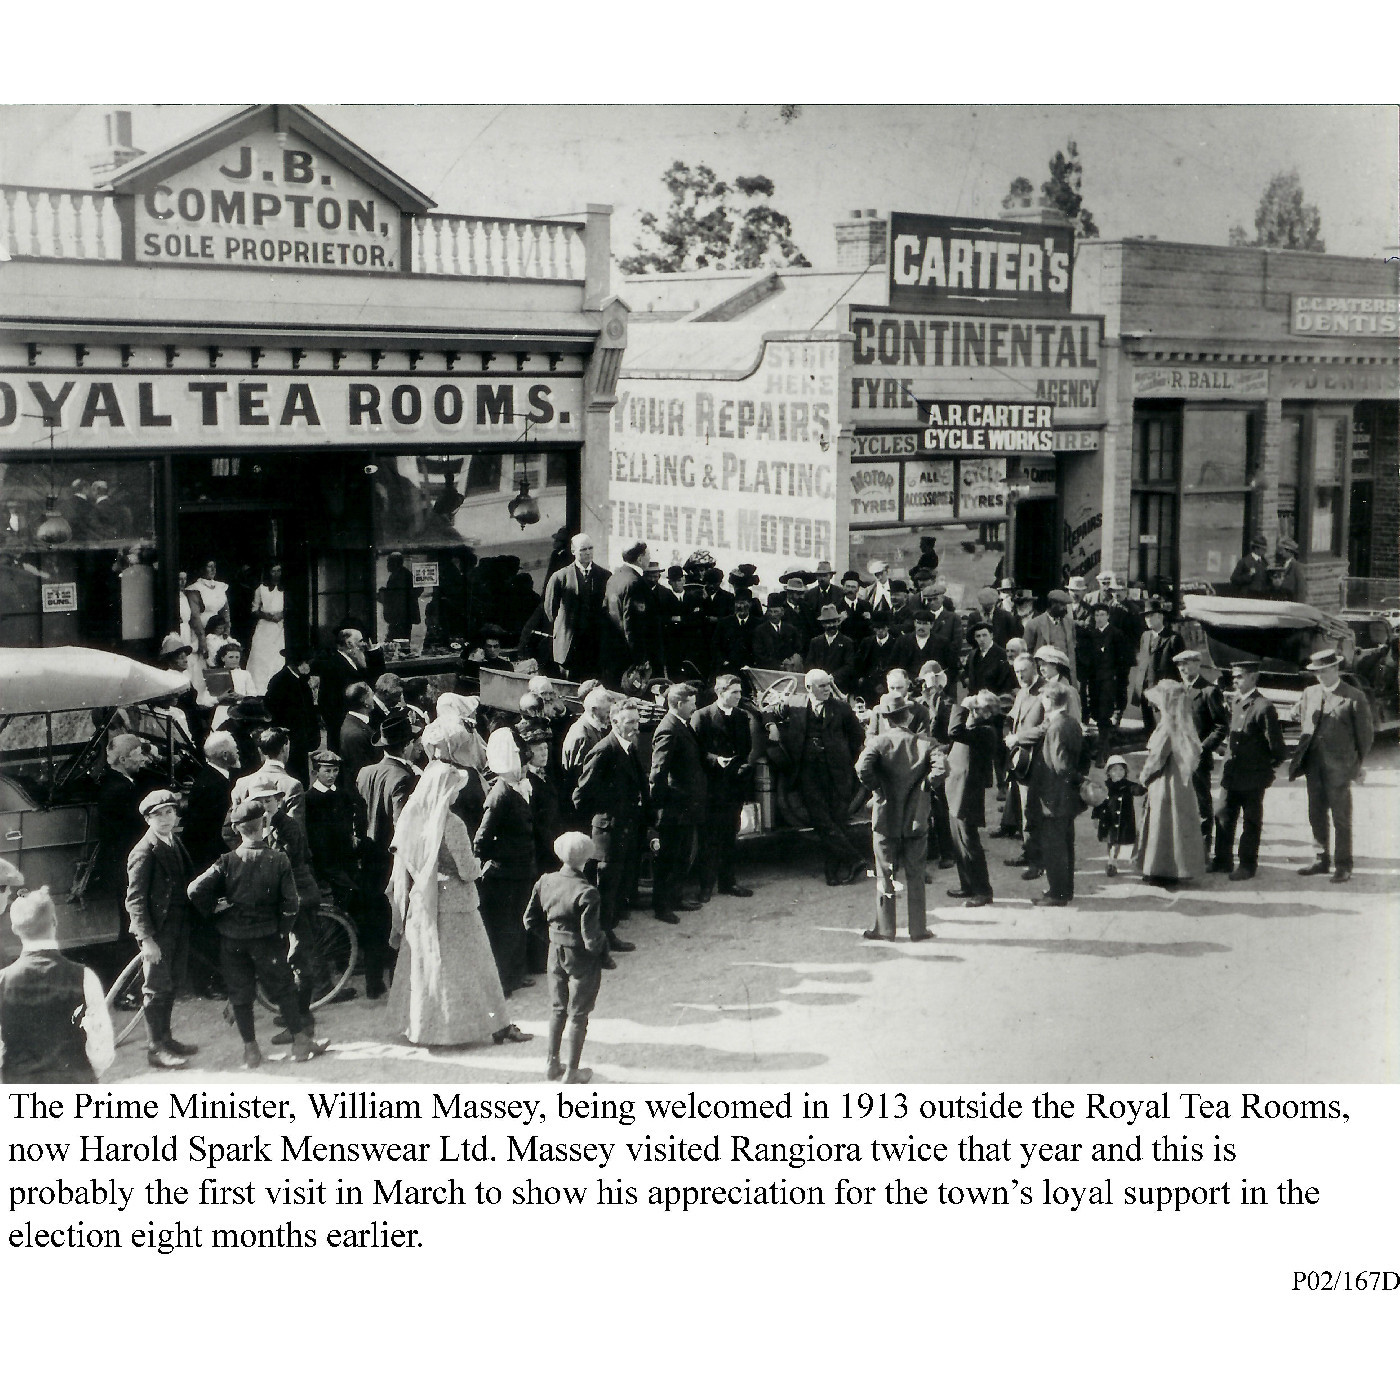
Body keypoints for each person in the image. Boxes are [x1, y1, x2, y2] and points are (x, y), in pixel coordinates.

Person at [386, 721, 530, 1047]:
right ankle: (496, 1025)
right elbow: (467, 870)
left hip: (426, 899)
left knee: (432, 969)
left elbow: (408, 859)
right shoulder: (452, 824)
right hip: (457, 902)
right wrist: (484, 865)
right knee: (477, 969)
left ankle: (429, 1028)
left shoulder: (417, 821)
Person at [188, 799, 324, 1067]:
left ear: (238, 829)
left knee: (240, 994)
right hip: (267, 938)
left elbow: (194, 890)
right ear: (263, 824)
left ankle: (251, 1051)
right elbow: (291, 903)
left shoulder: (226, 861)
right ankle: (300, 1043)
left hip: (232, 939)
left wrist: (214, 909)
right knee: (284, 989)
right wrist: (283, 931)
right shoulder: (278, 859)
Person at [0, 887, 115, 1084]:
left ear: (15, 929)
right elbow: (102, 1048)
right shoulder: (85, 977)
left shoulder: (2, 980)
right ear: (54, 921)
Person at [527, 831, 615, 1084]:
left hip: (555, 952)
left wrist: (554, 939)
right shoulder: (587, 892)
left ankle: (551, 1065)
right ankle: (572, 1071)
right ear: (587, 858)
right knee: (578, 1014)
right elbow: (591, 938)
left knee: (557, 1009)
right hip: (581, 959)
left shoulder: (545, 881)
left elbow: (529, 920)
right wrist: (606, 955)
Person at [770, 670, 868, 887]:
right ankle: (854, 859)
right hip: (808, 772)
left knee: (837, 820)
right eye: (822, 686)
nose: (827, 689)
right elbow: (768, 710)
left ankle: (832, 872)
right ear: (808, 688)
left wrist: (841, 758)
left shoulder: (841, 708)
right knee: (821, 820)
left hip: (838, 772)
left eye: (828, 685)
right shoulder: (794, 703)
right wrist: (771, 725)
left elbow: (857, 737)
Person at [125, 789, 199, 1069]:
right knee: (155, 990)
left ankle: (166, 1039)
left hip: (179, 926)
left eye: (169, 812)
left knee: (170, 986)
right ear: (147, 820)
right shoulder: (143, 851)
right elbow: (134, 900)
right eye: (158, 815)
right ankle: (155, 1049)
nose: (166, 819)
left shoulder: (174, 842)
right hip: (158, 933)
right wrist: (147, 940)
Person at [1291, 647, 1374, 884]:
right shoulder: (1309, 693)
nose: (1320, 675)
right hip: (1313, 765)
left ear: (1336, 668)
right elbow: (1306, 722)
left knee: (1341, 818)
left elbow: (1365, 737)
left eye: (1325, 670)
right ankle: (1320, 859)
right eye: (1317, 671)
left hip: (1339, 767)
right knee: (1315, 814)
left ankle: (1343, 865)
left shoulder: (1353, 696)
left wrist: (1355, 765)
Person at [856, 695, 935, 942]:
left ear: (886, 719)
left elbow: (861, 769)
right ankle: (918, 929)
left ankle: (885, 929)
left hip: (885, 815)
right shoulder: (925, 743)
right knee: (916, 873)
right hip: (915, 815)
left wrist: (879, 788)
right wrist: (923, 788)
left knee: (885, 873)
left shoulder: (878, 743)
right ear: (908, 716)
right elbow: (942, 769)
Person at [573, 701, 649, 949]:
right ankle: (601, 940)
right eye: (630, 722)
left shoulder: (628, 747)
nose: (636, 727)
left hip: (624, 829)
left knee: (616, 886)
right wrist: (605, 816)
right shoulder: (605, 750)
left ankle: (607, 933)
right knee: (605, 888)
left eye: (637, 722)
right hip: (608, 833)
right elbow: (581, 796)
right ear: (615, 722)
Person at [356, 708, 420, 999]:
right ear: (406, 745)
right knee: (398, 921)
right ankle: (398, 985)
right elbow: (402, 824)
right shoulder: (403, 778)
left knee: (373, 921)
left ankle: (373, 982)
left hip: (368, 857)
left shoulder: (366, 773)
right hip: (392, 860)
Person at [475, 728, 540, 995]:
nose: (526, 767)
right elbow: (481, 839)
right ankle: (504, 981)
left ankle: (516, 972)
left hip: (521, 870)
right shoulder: (500, 795)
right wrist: (498, 857)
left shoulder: (516, 788)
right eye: (522, 763)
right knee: (506, 928)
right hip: (505, 874)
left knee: (517, 924)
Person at [1212, 659, 1287, 881]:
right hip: (1232, 772)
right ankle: (1222, 860)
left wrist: (1264, 768)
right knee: (1223, 814)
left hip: (1252, 776)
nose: (1235, 680)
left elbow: (1277, 747)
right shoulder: (1236, 700)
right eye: (1234, 676)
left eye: (1240, 676)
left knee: (1251, 821)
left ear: (1254, 677)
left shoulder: (1263, 706)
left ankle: (1247, 865)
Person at [691, 673, 755, 902]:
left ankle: (728, 883)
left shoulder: (741, 716)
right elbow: (695, 751)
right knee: (709, 839)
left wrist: (739, 768)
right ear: (720, 692)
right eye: (734, 692)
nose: (739, 696)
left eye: (739, 692)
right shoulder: (702, 716)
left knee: (730, 835)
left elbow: (745, 748)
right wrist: (715, 760)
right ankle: (706, 886)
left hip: (733, 787)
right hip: (712, 788)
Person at [1135, 679, 1207, 883]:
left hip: (1164, 781)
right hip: (1180, 783)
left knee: (1163, 823)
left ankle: (1160, 870)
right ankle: (1176, 868)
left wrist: (1143, 776)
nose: (1155, 705)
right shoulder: (1182, 722)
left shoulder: (1167, 726)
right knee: (1178, 824)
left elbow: (1156, 758)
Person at [648, 683, 707, 924]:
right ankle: (661, 906)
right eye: (692, 703)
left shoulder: (680, 725)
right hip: (674, 807)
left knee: (681, 854)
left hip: (685, 805)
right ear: (680, 704)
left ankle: (675, 898)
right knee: (668, 858)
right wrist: (659, 807)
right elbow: (658, 772)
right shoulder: (669, 729)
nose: (695, 707)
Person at [1024, 683, 1087, 907]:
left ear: (1049, 700)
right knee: (1066, 845)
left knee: (1054, 848)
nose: (1042, 702)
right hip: (1067, 798)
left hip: (1053, 798)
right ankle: (1064, 890)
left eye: (1043, 699)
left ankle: (1056, 894)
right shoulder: (1071, 722)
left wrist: (1075, 779)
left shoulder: (1056, 727)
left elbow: (1061, 766)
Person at [944, 690, 1000, 907]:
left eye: (975, 709)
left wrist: (963, 706)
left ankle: (982, 890)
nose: (971, 712)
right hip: (957, 789)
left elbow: (953, 731)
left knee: (969, 841)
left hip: (968, 792)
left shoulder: (985, 731)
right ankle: (967, 884)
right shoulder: (975, 728)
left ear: (984, 713)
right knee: (958, 841)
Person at [541, 532, 611, 680]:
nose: (588, 553)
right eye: (583, 549)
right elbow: (550, 610)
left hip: (594, 645)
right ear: (573, 551)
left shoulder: (604, 576)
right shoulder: (560, 577)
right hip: (569, 646)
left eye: (590, 548)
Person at [1177, 650, 1230, 839]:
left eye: (1188, 664)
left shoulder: (1209, 691)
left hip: (1198, 758)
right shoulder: (1177, 690)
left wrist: (1202, 748)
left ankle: (1204, 849)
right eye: (1180, 665)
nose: (1184, 668)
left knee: (1201, 804)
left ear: (1198, 664)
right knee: (1180, 803)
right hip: (1178, 756)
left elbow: (1221, 726)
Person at [999, 653, 1045, 858]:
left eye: (1023, 671)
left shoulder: (1044, 692)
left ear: (1034, 669)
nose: (1019, 675)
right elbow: (1012, 717)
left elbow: (1047, 726)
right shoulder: (1022, 692)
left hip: (1036, 757)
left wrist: (1019, 738)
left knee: (1031, 807)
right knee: (1020, 803)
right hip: (1019, 757)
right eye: (1016, 672)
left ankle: (1032, 855)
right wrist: (1007, 731)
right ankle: (1028, 848)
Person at [304, 748, 361, 905]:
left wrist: (351, 835)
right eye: (327, 771)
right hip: (325, 858)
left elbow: (349, 821)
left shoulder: (342, 795)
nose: (332, 775)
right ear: (316, 772)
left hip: (345, 854)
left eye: (335, 770)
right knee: (345, 892)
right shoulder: (309, 799)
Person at [1082, 601, 1132, 763]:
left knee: (1105, 715)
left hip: (1110, 682)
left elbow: (1124, 662)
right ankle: (1102, 748)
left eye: (1102, 614)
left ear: (1108, 616)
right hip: (1095, 682)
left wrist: (1120, 683)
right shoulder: (1091, 634)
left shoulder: (1117, 634)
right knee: (1096, 714)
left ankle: (1103, 754)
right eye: (1096, 615)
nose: (1099, 618)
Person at [318, 627, 384, 745]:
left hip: (354, 725)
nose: (364, 644)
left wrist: (374, 652)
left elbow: (375, 679)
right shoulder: (334, 665)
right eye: (360, 641)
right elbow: (328, 702)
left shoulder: (354, 661)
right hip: (345, 730)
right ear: (349, 644)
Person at [263, 645, 320, 784]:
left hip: (301, 736)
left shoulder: (301, 680)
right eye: (304, 662)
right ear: (294, 663)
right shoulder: (279, 681)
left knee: (301, 774)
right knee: (291, 774)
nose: (307, 666)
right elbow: (271, 709)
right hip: (288, 737)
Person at [231, 726, 306, 829]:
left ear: (260, 751)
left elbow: (231, 829)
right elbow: (296, 833)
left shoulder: (242, 783)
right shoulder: (293, 786)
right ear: (285, 747)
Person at [1132, 598, 1185, 742]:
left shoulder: (1174, 639)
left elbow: (1181, 668)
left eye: (1151, 615)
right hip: (1145, 688)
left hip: (1163, 690)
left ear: (1160, 616)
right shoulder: (1145, 636)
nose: (1147, 619)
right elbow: (1144, 660)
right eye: (1146, 616)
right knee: (1148, 725)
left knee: (1163, 725)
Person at [601, 541, 651, 686]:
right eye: (648, 555)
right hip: (630, 657)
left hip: (613, 651)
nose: (649, 559)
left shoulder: (614, 578)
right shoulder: (635, 582)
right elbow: (633, 624)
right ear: (640, 559)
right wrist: (640, 659)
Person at [1092, 756, 1144, 878]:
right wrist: (1095, 817)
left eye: (1121, 770)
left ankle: (1112, 862)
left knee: (1116, 842)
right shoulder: (1105, 786)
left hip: (1122, 821)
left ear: (1125, 772)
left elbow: (1138, 790)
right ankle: (1112, 860)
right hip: (1108, 819)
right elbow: (1098, 802)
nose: (1118, 773)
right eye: (1114, 770)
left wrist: (1143, 782)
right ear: (1108, 772)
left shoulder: (1129, 785)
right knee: (1110, 841)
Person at [1023, 590, 1078, 684]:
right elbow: (1027, 653)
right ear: (1052, 604)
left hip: (1065, 676)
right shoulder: (1034, 624)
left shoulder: (1070, 624)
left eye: (1066, 605)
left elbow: (1072, 649)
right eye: (1062, 605)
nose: (1065, 609)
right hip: (1044, 675)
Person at [246, 563, 286, 692]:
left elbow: (292, 608)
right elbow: (254, 610)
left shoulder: (285, 589)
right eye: (273, 571)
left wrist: (282, 614)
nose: (276, 574)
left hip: (280, 628)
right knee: (260, 657)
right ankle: (259, 690)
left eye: (279, 570)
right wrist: (267, 616)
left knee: (277, 658)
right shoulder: (261, 589)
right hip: (264, 627)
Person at [805, 603, 857, 694]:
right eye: (827, 622)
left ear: (838, 622)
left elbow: (849, 665)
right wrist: (818, 677)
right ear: (822, 624)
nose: (831, 625)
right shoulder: (815, 642)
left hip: (839, 686)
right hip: (818, 686)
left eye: (834, 622)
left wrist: (833, 677)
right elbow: (809, 663)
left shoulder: (847, 642)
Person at [337, 682, 379, 792]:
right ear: (365, 701)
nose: (373, 698)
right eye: (371, 695)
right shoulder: (355, 733)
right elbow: (361, 771)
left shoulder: (356, 723)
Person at [855, 609, 902, 706]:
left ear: (888, 627)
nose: (880, 631)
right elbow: (859, 663)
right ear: (873, 628)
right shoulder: (866, 643)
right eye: (877, 628)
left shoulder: (896, 643)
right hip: (869, 685)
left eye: (883, 628)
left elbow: (897, 667)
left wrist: (884, 683)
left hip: (888, 684)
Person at [711, 589, 761, 673]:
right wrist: (723, 661)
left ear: (750, 604)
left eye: (744, 603)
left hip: (751, 669)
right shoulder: (724, 622)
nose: (740, 606)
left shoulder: (758, 624)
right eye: (738, 603)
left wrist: (753, 663)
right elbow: (715, 645)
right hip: (728, 668)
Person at [752, 591, 805, 670]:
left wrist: (791, 662)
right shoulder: (760, 630)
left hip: (788, 670)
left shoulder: (791, 629)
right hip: (768, 670)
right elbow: (759, 654)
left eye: (776, 611)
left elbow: (798, 649)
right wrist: (778, 666)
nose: (773, 615)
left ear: (782, 612)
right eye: (770, 611)